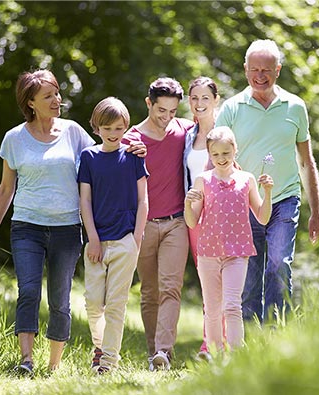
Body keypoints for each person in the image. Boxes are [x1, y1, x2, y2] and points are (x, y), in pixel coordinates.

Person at [0, 70, 145, 375]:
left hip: (67, 229)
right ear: (31, 103)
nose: (57, 100)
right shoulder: (14, 139)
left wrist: (136, 146)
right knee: (28, 290)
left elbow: (109, 139)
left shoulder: (73, 132)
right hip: (26, 225)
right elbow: (5, 189)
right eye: (49, 96)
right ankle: (27, 360)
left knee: (60, 298)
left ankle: (53, 365)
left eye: (57, 93)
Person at [215, 39, 319, 323]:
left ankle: (277, 333)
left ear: (278, 70)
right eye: (254, 69)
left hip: (284, 199)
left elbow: (306, 162)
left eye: (266, 70)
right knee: (249, 278)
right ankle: (250, 341)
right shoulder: (231, 109)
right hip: (245, 202)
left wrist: (316, 213)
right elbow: (217, 159)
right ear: (245, 69)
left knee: (278, 264)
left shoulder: (295, 107)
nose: (260, 76)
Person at [122, 77, 194, 371]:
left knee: (170, 288)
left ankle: (164, 351)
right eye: (161, 110)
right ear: (148, 103)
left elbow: (212, 136)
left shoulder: (184, 131)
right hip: (144, 226)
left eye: (173, 111)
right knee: (150, 292)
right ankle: (154, 354)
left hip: (177, 223)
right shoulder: (131, 139)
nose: (167, 118)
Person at [184, 126, 273, 353]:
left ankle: (236, 356)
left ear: (235, 151)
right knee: (212, 309)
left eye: (226, 153)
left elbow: (262, 218)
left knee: (232, 305)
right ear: (209, 155)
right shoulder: (203, 180)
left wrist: (268, 192)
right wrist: (187, 203)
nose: (221, 159)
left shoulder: (247, 179)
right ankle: (215, 354)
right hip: (208, 254)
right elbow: (192, 222)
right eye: (216, 154)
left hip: (237, 253)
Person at [78, 97, 149, 374]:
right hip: (96, 241)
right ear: (97, 127)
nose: (113, 133)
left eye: (119, 128)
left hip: (125, 241)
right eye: (107, 127)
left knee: (116, 305)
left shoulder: (133, 157)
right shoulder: (89, 157)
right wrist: (93, 238)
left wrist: (137, 238)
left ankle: (108, 362)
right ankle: (100, 346)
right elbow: (85, 201)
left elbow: (144, 200)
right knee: (94, 303)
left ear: (125, 127)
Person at [183, 76, 220, 359]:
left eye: (205, 98)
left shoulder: (224, 134)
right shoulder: (187, 135)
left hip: (221, 216)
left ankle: (213, 344)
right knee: (206, 280)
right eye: (194, 98)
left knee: (222, 280)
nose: (199, 104)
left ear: (215, 100)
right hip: (195, 216)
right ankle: (212, 343)